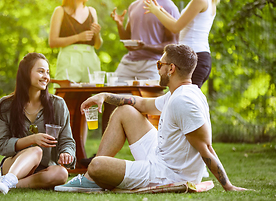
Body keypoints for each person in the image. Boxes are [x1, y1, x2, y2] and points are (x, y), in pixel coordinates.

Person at [54, 44, 247, 192]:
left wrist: (228, 186)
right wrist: (105, 96)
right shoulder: (178, 93)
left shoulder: (184, 101)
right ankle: (91, 178)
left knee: (97, 164)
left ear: (171, 68)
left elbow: (206, 148)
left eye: (159, 64)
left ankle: (93, 176)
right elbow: (143, 104)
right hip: (159, 155)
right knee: (125, 110)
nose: (157, 69)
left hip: (167, 174)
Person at [0, 53, 76, 194]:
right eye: (40, 71)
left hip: (45, 168)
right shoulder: (6, 105)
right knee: (36, 150)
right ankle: (9, 179)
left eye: (47, 72)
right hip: (14, 165)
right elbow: (2, 145)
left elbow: (67, 141)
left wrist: (66, 153)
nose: (46, 76)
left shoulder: (58, 105)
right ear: (26, 73)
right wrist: (32, 139)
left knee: (62, 174)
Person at [144, 0, 220, 88]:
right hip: (197, 57)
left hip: (195, 59)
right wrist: (161, 10)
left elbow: (176, 27)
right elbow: (180, 22)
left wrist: (156, 11)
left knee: (185, 102)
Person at [110, 0, 180, 82]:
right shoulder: (134, 5)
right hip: (129, 63)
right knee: (112, 95)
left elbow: (173, 44)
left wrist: (145, 46)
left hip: (154, 63)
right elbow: (127, 39)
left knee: (150, 98)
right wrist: (119, 24)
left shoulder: (168, 7)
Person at [49, 0, 103, 83]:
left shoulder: (92, 11)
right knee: (65, 96)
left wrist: (97, 34)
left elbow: (97, 45)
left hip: (90, 60)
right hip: (69, 61)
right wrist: (78, 37)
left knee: (92, 97)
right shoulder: (60, 11)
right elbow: (52, 42)